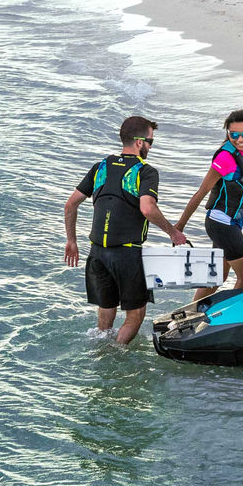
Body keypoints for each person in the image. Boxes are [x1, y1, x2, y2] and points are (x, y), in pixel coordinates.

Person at [63, 115, 186, 345]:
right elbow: (147, 208)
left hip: (97, 252)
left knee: (106, 309)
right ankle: (116, 355)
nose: (150, 146)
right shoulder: (145, 171)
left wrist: (71, 240)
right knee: (135, 314)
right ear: (139, 142)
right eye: (151, 141)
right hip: (126, 255)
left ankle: (101, 351)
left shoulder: (101, 167)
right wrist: (173, 232)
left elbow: (70, 204)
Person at [176, 109, 243, 301]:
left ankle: (190, 315)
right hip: (220, 223)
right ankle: (229, 317)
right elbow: (201, 192)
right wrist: (179, 226)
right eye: (234, 135)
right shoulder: (224, 157)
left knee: (216, 278)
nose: (240, 139)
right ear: (228, 133)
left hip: (233, 224)